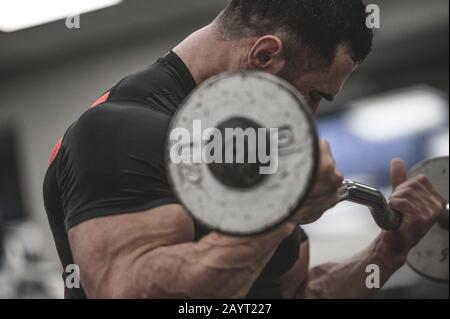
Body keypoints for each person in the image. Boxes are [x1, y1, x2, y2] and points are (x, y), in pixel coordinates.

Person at [43, 0, 446, 299]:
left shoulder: (242, 148)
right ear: (265, 56)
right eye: (312, 94)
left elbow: (287, 295)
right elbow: (130, 291)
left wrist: (387, 253)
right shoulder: (118, 131)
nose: (309, 117)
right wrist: (280, 213)